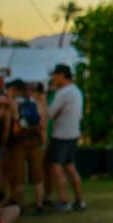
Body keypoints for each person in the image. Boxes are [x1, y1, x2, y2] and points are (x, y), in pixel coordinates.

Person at [4, 80, 48, 213]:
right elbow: (43, 124)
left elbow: (8, 126)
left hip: (18, 142)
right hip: (35, 141)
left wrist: (4, 143)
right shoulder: (37, 104)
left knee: (18, 178)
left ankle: (19, 206)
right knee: (37, 177)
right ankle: (40, 205)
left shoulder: (13, 104)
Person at [46, 64, 86, 212]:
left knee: (57, 166)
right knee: (70, 166)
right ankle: (79, 199)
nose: (53, 78)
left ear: (62, 75)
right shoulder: (76, 91)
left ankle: (63, 200)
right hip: (73, 133)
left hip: (61, 134)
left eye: (55, 75)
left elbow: (50, 112)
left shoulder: (63, 93)